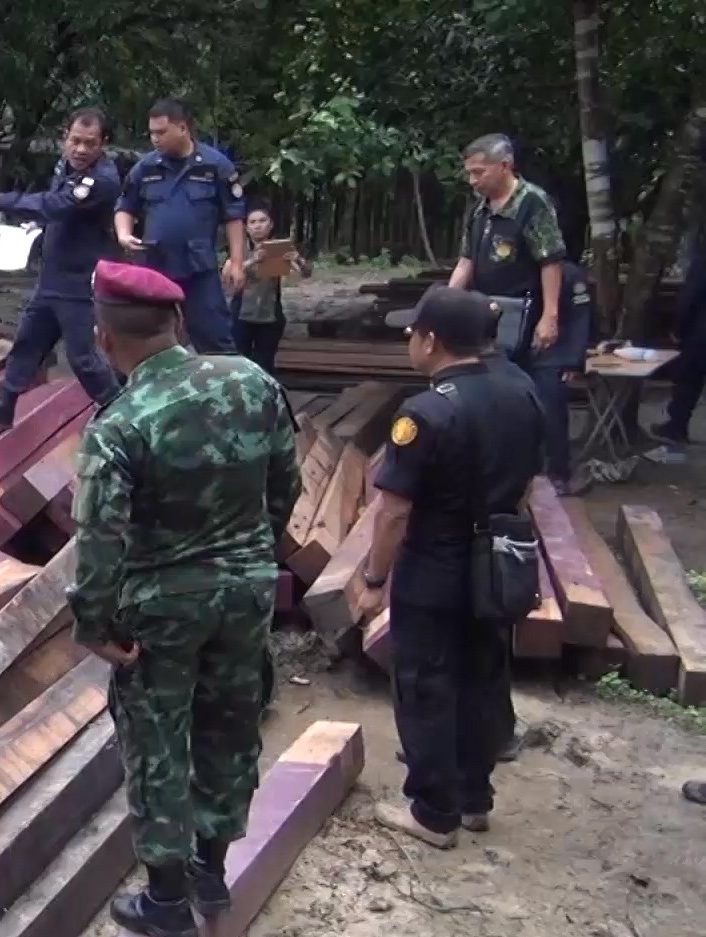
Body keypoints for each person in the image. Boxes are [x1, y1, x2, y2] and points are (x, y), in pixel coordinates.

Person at [71, 260, 300, 937]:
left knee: (158, 740)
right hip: (246, 593)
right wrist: (253, 557)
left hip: (163, 605)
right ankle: (212, 871)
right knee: (231, 727)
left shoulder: (119, 426)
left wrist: (95, 624)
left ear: (103, 340)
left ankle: (166, 901)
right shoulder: (252, 381)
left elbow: (100, 537)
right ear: (177, 322)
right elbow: (284, 487)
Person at [356, 286, 545, 849]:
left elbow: (393, 512)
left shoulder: (427, 412)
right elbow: (531, 481)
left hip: (436, 567)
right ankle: (474, 799)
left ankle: (434, 814)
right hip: (498, 562)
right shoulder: (523, 389)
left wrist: (371, 580)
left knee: (425, 684)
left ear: (431, 341)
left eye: (413, 335)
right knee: (483, 676)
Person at [0, 108, 124, 429]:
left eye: (90, 143)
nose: (80, 149)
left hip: (79, 283)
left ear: (102, 144)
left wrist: (1, 202)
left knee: (83, 359)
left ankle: (123, 417)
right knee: (27, 344)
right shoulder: (67, 166)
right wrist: (35, 224)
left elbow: (58, 205)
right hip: (52, 278)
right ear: (65, 137)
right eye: (75, 140)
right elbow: (56, 205)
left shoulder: (101, 180)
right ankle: (3, 406)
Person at [446, 134, 579, 494]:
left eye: (479, 172)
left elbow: (551, 261)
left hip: (532, 308)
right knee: (495, 392)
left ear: (504, 166)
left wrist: (550, 315)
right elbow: (466, 261)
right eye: (469, 174)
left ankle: (557, 474)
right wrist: (443, 302)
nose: (474, 181)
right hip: (491, 313)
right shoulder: (478, 209)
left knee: (544, 394)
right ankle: (507, 469)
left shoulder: (532, 203)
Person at [114, 97, 247, 355]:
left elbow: (233, 215)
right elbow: (125, 205)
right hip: (153, 267)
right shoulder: (146, 167)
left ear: (183, 128)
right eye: (152, 133)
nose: (155, 139)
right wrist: (123, 233)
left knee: (216, 342)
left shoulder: (215, 166)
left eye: (161, 132)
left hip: (198, 270)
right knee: (145, 340)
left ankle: (226, 391)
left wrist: (237, 260)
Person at [232, 205, 312, 375]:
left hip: (270, 313)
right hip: (241, 313)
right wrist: (253, 260)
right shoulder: (239, 250)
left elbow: (305, 274)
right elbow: (228, 276)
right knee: (239, 363)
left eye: (262, 221)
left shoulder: (278, 248)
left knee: (265, 363)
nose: (257, 225)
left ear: (271, 225)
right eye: (252, 222)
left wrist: (298, 259)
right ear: (246, 227)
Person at [651, 230, 706, 447]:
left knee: (689, 381)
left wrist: (678, 329)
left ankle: (676, 426)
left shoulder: (702, 261)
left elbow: (690, 297)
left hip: (700, 333)